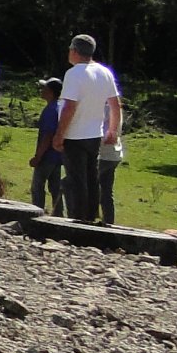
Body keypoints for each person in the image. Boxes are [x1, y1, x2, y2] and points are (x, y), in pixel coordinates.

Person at [55, 33, 122, 223]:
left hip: (75, 134)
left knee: (77, 179)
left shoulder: (74, 73)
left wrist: (59, 134)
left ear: (75, 51)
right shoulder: (104, 72)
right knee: (92, 178)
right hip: (95, 134)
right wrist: (113, 131)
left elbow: (69, 107)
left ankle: (79, 218)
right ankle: (92, 216)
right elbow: (115, 104)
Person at [28, 77, 66, 213]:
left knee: (37, 186)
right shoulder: (60, 107)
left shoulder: (50, 110)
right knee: (55, 187)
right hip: (58, 156)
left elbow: (48, 136)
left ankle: (37, 212)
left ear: (50, 91)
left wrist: (38, 157)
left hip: (47, 156)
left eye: (44, 88)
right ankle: (59, 214)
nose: (42, 90)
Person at [98, 134, 125, 225]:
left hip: (103, 153)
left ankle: (85, 218)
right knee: (106, 190)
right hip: (114, 153)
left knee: (82, 184)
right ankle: (108, 221)